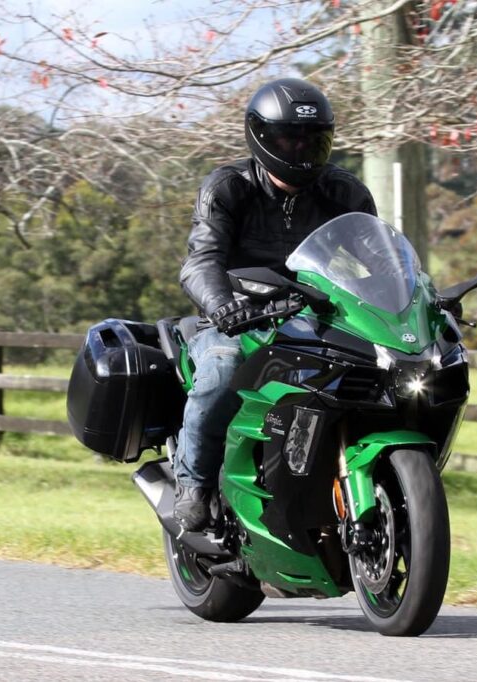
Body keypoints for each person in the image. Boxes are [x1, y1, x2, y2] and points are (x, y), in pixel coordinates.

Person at [173, 77, 378, 531]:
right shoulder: (228, 187)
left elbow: (377, 263)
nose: (301, 147)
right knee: (222, 369)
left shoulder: (345, 194)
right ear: (261, 136)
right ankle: (194, 483)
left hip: (316, 321)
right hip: (240, 320)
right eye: (289, 137)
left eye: (313, 137)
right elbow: (200, 261)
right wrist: (224, 307)